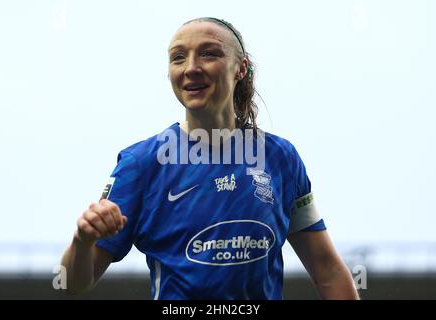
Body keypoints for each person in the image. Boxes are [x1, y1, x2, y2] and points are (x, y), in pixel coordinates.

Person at [61, 17, 359, 300]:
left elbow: (328, 271)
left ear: (240, 68)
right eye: (178, 57)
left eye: (208, 54)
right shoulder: (142, 164)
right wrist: (82, 240)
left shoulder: (281, 158)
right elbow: (70, 284)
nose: (191, 67)